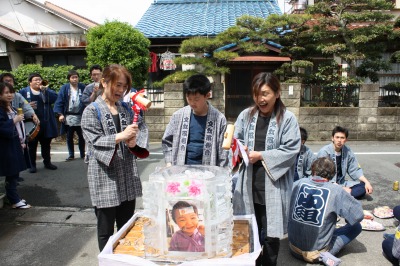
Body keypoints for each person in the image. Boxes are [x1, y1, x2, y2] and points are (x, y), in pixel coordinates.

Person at [232, 72, 301, 266]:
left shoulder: (287, 119)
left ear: (277, 93)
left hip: (273, 186)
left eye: (265, 93)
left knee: (271, 236)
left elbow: (291, 148)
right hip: (248, 185)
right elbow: (236, 140)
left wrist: (261, 155)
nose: (260, 99)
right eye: (256, 94)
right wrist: (240, 149)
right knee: (249, 231)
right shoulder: (246, 115)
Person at [81, 64, 149, 251]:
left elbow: (141, 129)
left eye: (124, 86)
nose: (120, 90)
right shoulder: (91, 111)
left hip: (126, 172)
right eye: (117, 85)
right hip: (105, 175)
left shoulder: (127, 109)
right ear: (104, 82)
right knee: (105, 228)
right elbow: (94, 141)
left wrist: (134, 143)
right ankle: (107, 260)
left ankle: (124, 259)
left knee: (127, 225)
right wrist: (121, 136)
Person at [288, 157, 363, 264]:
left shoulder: (299, 183)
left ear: (313, 171)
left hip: (293, 248)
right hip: (317, 254)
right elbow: (358, 215)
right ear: (332, 175)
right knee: (356, 227)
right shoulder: (336, 190)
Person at [162, 74, 228, 167]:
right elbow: (167, 141)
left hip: (208, 172)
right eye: (189, 98)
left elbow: (223, 151)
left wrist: (221, 172)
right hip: (181, 170)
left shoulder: (219, 119)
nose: (192, 103)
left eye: (196, 99)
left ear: (207, 95)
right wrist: (169, 162)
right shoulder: (178, 116)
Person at [317, 126, 373, 199]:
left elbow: (355, 169)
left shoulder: (347, 151)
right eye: (337, 137)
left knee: (363, 187)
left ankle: (342, 194)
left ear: (346, 140)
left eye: (342, 138)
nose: (339, 140)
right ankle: (343, 193)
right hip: (328, 183)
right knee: (326, 189)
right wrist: (340, 188)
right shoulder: (324, 152)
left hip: (341, 183)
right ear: (332, 138)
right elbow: (321, 175)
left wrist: (367, 182)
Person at [19, 73, 58, 173]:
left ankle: (47, 162)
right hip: (31, 123)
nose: (38, 81)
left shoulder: (45, 90)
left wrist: (45, 90)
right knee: (32, 145)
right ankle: (32, 165)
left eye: (39, 79)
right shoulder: (23, 92)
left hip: (45, 122)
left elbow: (55, 98)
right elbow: (17, 106)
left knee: (46, 144)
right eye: (35, 80)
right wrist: (26, 107)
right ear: (30, 82)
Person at [0, 82, 31, 208]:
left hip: (15, 144)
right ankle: (14, 200)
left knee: (14, 173)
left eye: (11, 92)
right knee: (12, 173)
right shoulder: (1, 109)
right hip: (7, 147)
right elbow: (1, 127)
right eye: (6, 92)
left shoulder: (10, 107)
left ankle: (14, 197)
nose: (10, 95)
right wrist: (14, 120)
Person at [54, 70, 86, 161]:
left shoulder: (82, 87)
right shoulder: (64, 88)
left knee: (81, 137)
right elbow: (59, 101)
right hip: (69, 116)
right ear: (69, 79)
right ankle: (71, 154)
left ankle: (82, 154)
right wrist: (60, 114)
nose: (75, 79)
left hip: (80, 116)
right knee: (69, 137)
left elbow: (87, 100)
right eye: (73, 77)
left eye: (76, 77)